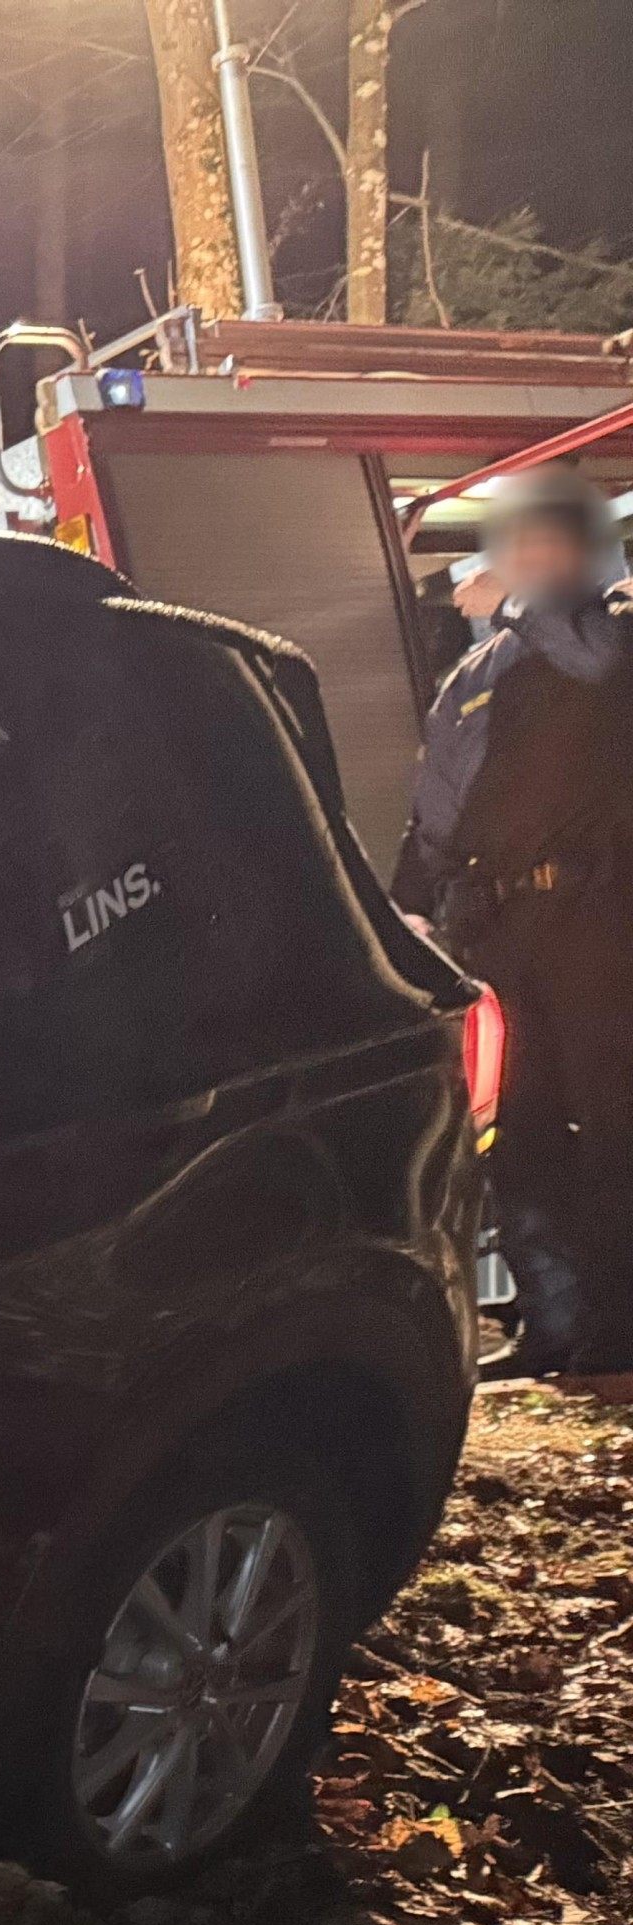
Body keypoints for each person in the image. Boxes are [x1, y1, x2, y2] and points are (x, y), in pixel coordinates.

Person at [398, 468, 633, 1372]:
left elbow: (604, 674)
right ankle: (556, 1322)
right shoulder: (472, 670)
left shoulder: (608, 622)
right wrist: (408, 908)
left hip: (593, 919)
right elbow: (439, 803)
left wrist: (523, 605)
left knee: (613, 1123)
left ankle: (619, 1330)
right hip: (493, 930)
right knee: (514, 1127)